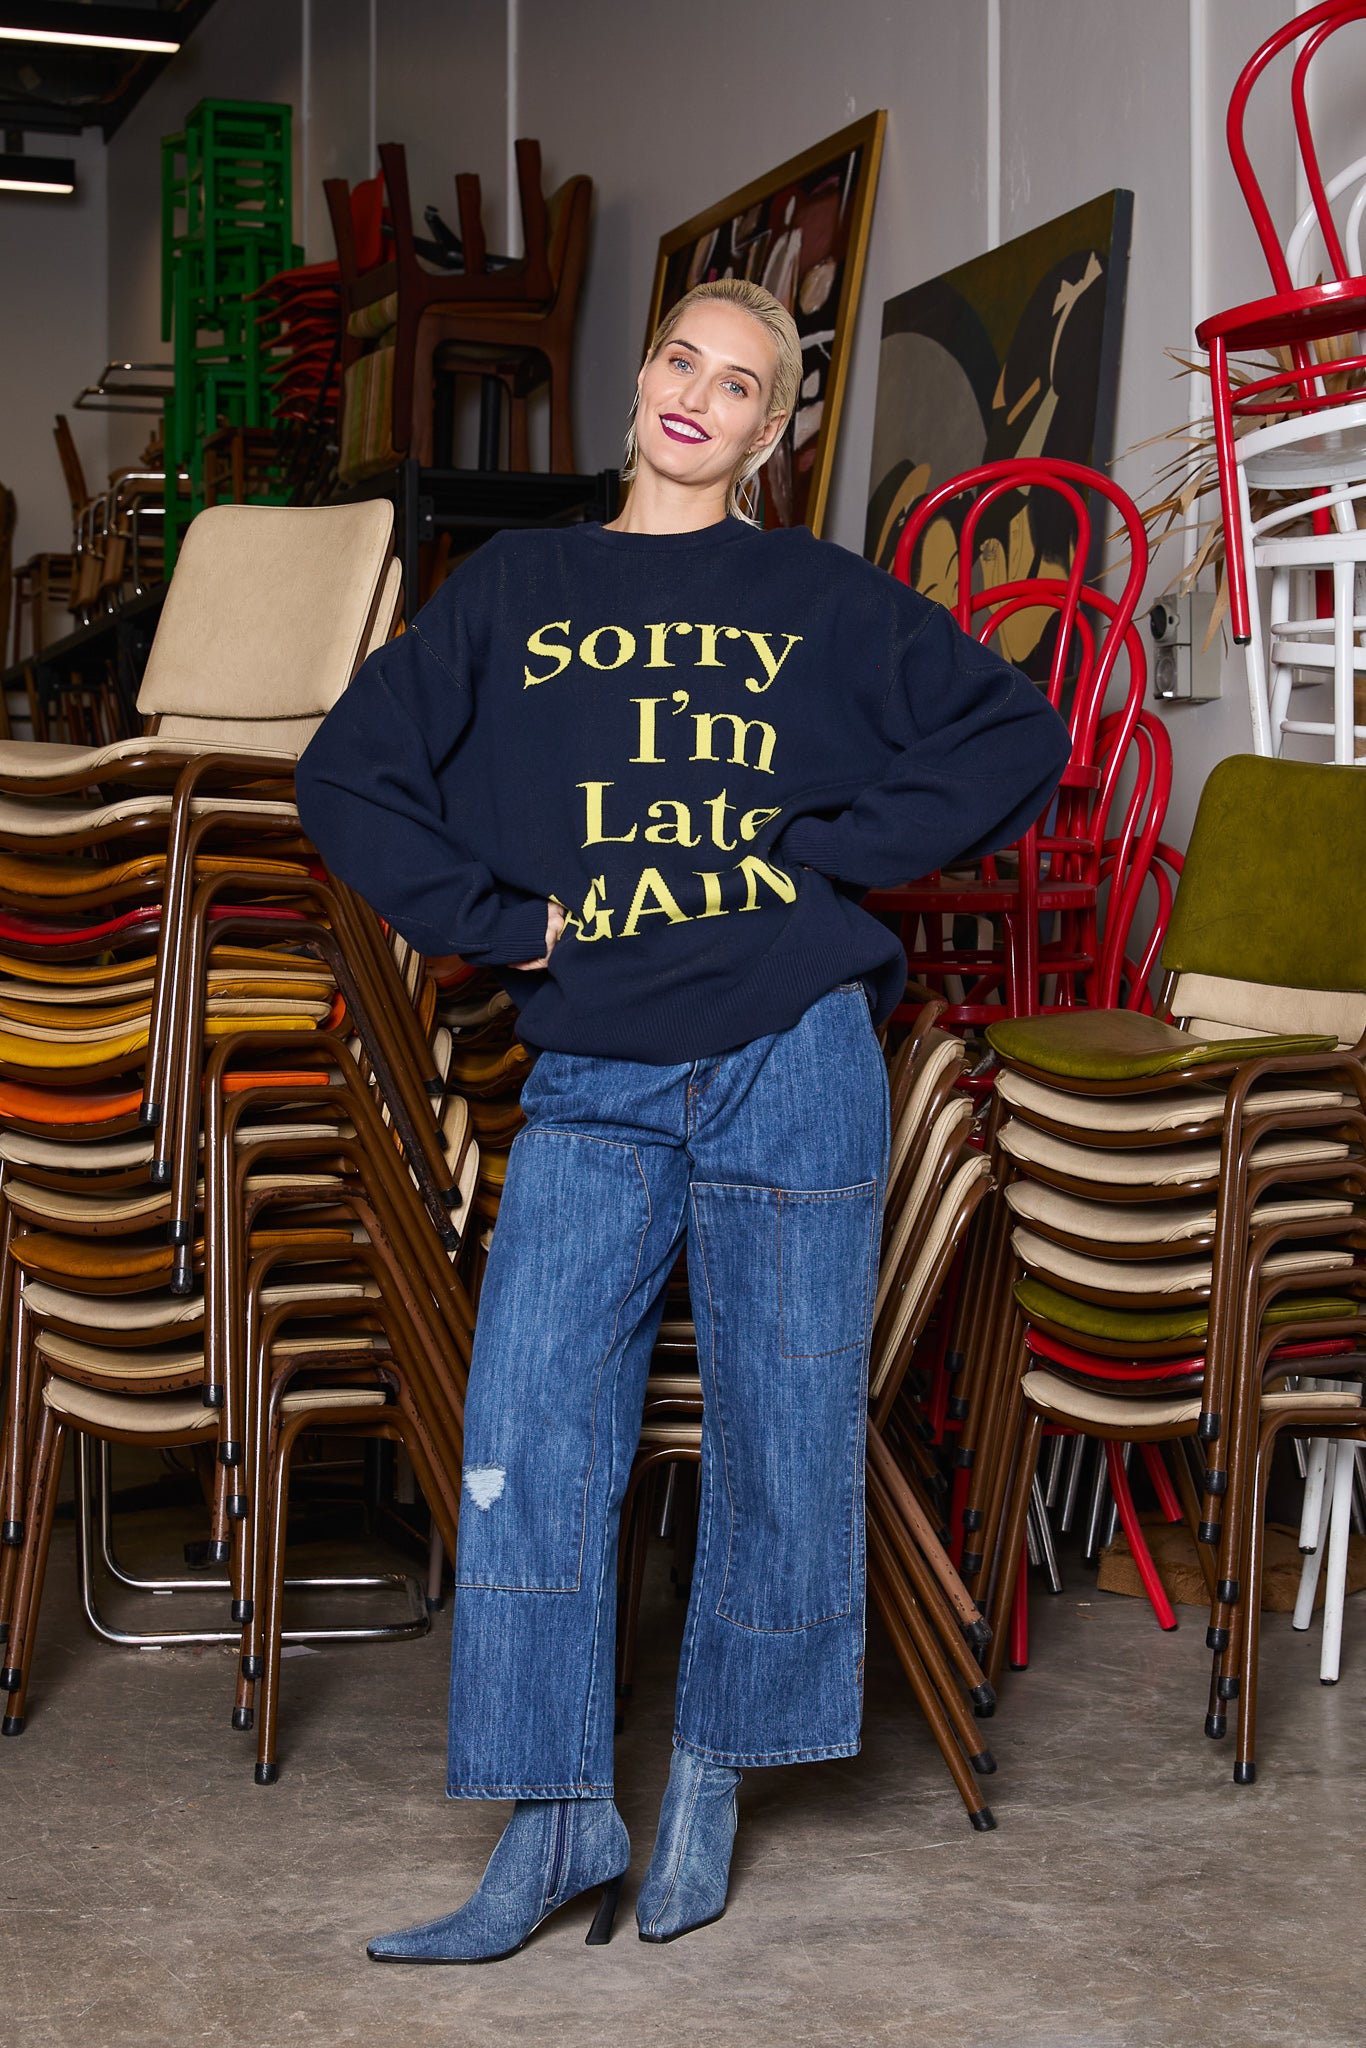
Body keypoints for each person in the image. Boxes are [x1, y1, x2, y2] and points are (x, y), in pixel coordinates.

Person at [295, 278, 1070, 1963]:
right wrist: (500, 922)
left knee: (784, 1426)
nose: (694, 397)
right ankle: (554, 1816)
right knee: (524, 1437)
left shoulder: (815, 595)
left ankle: (713, 1776)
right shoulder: (518, 588)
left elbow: (1013, 728)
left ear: (770, 430)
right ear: (642, 378)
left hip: (792, 1042)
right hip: (595, 1059)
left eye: (737, 384)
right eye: (678, 362)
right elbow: (346, 770)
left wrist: (825, 857)